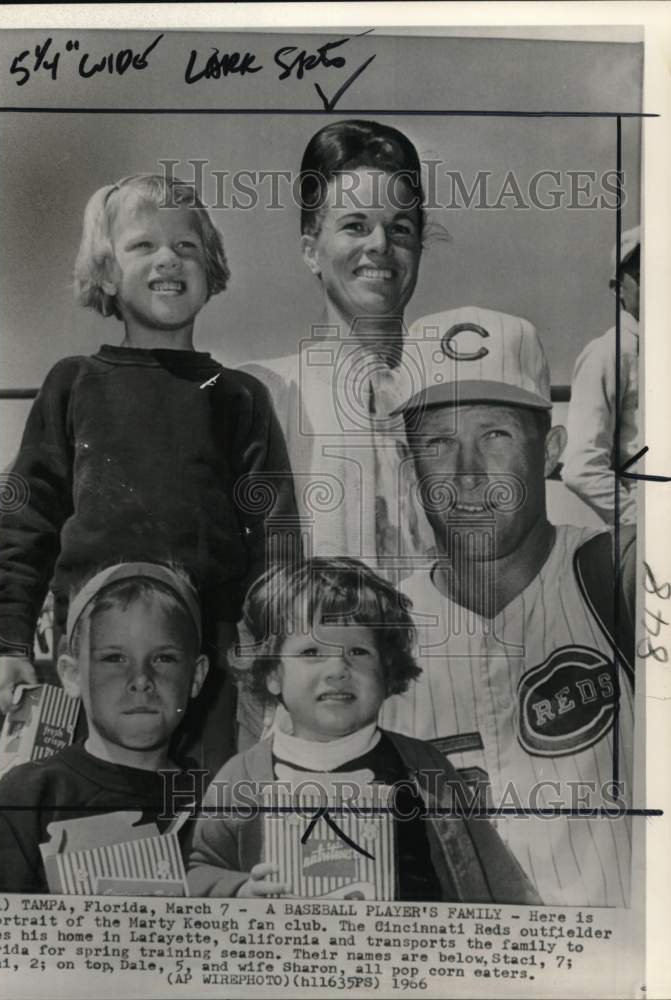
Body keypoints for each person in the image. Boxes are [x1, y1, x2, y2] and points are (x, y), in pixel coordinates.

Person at [0, 172, 297, 773]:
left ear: (211, 268)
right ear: (106, 272)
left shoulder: (238, 396)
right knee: (97, 801)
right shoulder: (73, 383)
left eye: (185, 246)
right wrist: (8, 642)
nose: (168, 259)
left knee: (205, 804)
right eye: (143, 245)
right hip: (95, 640)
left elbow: (276, 538)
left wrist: (272, 646)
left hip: (209, 653)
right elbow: (27, 522)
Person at [377, 305, 635, 907]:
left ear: (551, 451)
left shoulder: (618, 574)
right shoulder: (375, 634)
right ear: (409, 465)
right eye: (439, 442)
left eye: (496, 435)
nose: (467, 474)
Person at [237, 119, 437, 749]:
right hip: (307, 735)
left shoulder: (452, 399)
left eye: (400, 229)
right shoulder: (265, 394)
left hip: (441, 719)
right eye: (354, 225)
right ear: (309, 248)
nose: (379, 245)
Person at [187, 557, 540, 903]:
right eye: (312, 652)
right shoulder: (242, 777)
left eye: (358, 651)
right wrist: (239, 891)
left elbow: (499, 879)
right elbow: (199, 871)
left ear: (387, 670)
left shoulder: (426, 768)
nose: (338, 669)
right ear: (272, 674)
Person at [0, 563, 209, 893]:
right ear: (72, 675)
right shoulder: (28, 796)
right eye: (114, 658)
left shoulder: (215, 801)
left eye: (163, 658)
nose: (141, 680)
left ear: (196, 676)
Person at [562, 225, 640, 523]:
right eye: (642, 275)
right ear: (618, 288)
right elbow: (581, 467)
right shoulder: (610, 352)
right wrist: (638, 521)